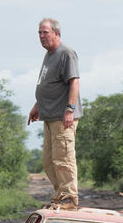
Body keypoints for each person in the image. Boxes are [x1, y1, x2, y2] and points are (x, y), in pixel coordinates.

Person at [28, 18, 82, 210]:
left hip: (62, 117)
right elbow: (48, 85)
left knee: (64, 158)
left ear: (56, 33)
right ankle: (60, 196)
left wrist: (69, 109)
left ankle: (69, 197)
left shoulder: (66, 53)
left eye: (45, 32)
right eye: (39, 33)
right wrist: (37, 106)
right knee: (50, 161)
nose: (42, 37)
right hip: (49, 116)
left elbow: (74, 82)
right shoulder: (49, 55)